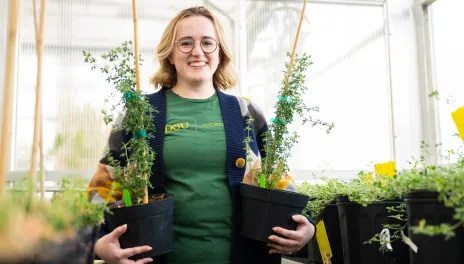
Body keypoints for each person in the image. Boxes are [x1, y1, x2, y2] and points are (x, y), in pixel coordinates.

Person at [87, 6, 316, 264]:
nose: (197, 51)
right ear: (170, 54)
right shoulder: (139, 114)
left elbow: (278, 177)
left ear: (219, 53)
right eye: (186, 43)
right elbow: (104, 184)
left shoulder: (245, 112)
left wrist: (305, 223)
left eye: (207, 43)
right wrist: (97, 240)